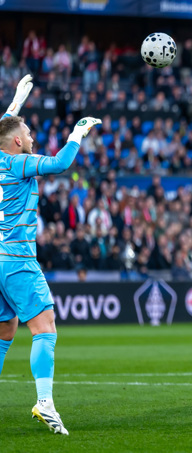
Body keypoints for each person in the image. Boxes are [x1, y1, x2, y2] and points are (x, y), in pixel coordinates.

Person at [0, 74, 101, 435]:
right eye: (27, 133)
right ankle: (45, 402)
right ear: (17, 141)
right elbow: (59, 164)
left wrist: (15, 104)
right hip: (17, 259)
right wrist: (77, 133)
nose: (31, 137)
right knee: (45, 328)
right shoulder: (18, 163)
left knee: (5, 330)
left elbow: (3, 128)